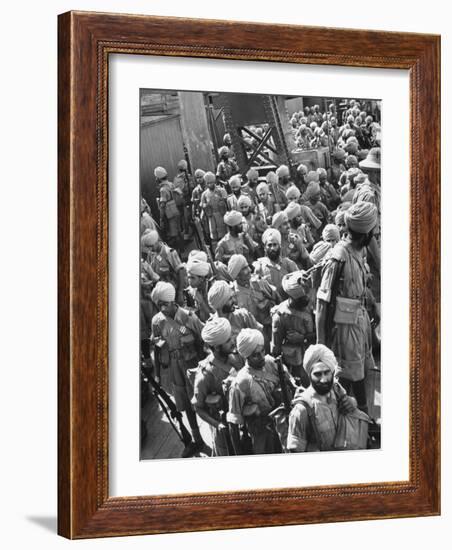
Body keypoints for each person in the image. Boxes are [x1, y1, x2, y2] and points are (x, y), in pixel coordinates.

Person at [316, 201, 379, 414]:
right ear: (366, 234)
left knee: (361, 372)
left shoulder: (358, 252)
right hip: (344, 330)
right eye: (373, 232)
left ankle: (360, 412)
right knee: (350, 375)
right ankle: (359, 415)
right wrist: (320, 348)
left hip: (359, 323)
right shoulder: (339, 257)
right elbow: (322, 304)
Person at [150, 282, 206, 455]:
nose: (161, 309)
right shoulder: (157, 321)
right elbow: (157, 348)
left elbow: (204, 341)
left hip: (193, 364)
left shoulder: (189, 318)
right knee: (186, 405)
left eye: (163, 304)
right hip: (175, 368)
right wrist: (157, 375)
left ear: (172, 301)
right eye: (158, 305)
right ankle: (197, 440)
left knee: (202, 401)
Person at [287, 344, 357, 452]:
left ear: (332, 372)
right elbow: (295, 451)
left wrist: (352, 402)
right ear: (309, 375)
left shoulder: (336, 390)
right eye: (318, 374)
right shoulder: (301, 410)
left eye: (326, 373)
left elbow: (350, 406)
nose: (323, 380)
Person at [227, 329, 288, 454]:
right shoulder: (241, 383)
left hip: (284, 424)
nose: (262, 357)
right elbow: (233, 423)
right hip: (262, 435)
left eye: (262, 351)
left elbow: (291, 384)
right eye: (255, 355)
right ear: (246, 356)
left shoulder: (272, 362)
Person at [192, 317, 237, 456]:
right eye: (228, 341)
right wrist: (218, 425)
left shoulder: (235, 357)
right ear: (217, 347)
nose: (233, 342)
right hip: (224, 430)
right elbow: (198, 408)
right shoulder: (205, 375)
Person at [271, 271, 315, 386]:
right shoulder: (280, 316)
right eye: (302, 298)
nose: (307, 299)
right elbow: (276, 349)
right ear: (292, 297)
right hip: (297, 364)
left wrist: (303, 338)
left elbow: (325, 331)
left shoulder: (313, 306)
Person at [228, 254, 279, 349]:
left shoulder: (259, 283)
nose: (249, 270)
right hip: (252, 341)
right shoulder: (232, 295)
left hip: (271, 332)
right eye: (244, 268)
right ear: (237, 275)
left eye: (247, 266)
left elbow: (277, 300)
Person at [141, 229, 185, 305]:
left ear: (156, 242)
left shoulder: (169, 253)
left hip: (173, 292)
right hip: (161, 293)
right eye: (148, 247)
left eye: (151, 246)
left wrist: (180, 293)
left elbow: (181, 272)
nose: (150, 249)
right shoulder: (151, 255)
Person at [253, 228, 298, 298]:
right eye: (269, 245)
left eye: (275, 245)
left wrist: (292, 244)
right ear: (265, 248)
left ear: (280, 246)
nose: (272, 248)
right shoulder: (260, 267)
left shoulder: (289, 264)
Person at [155, 166, 181, 250]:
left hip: (170, 214)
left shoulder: (163, 189)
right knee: (178, 230)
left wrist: (161, 218)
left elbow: (162, 205)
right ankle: (182, 248)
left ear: (158, 178)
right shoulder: (171, 184)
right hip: (176, 210)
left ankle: (178, 252)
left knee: (174, 233)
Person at [200, 171, 228, 250]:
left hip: (221, 215)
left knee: (224, 235)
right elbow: (202, 205)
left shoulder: (221, 191)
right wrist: (205, 207)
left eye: (211, 182)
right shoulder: (204, 194)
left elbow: (226, 202)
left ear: (214, 181)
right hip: (211, 217)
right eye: (208, 183)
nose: (210, 185)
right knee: (214, 237)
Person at [184, 257, 213, 322]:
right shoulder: (190, 291)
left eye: (192, 278)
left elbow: (216, 316)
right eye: (189, 277)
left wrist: (202, 302)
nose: (189, 281)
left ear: (201, 279)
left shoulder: (212, 289)